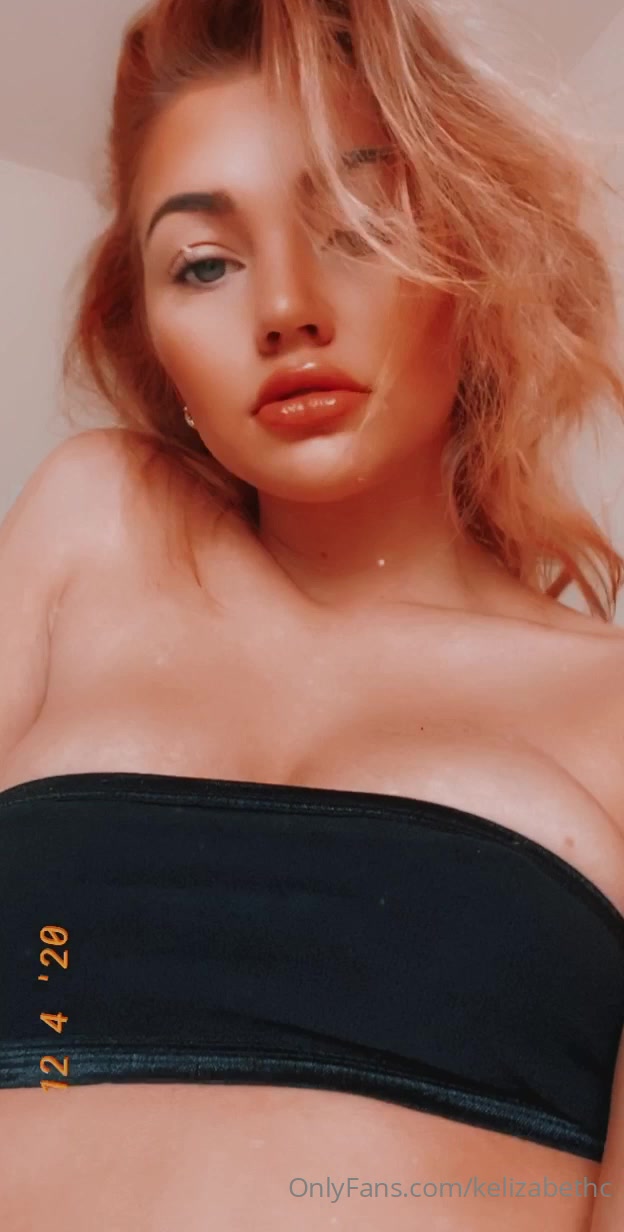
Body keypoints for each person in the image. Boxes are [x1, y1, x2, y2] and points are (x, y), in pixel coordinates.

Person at [1, 0, 623, 1228]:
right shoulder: (97, 523)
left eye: (355, 223)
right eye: (205, 263)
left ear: (474, 258)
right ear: (155, 342)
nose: (285, 306)